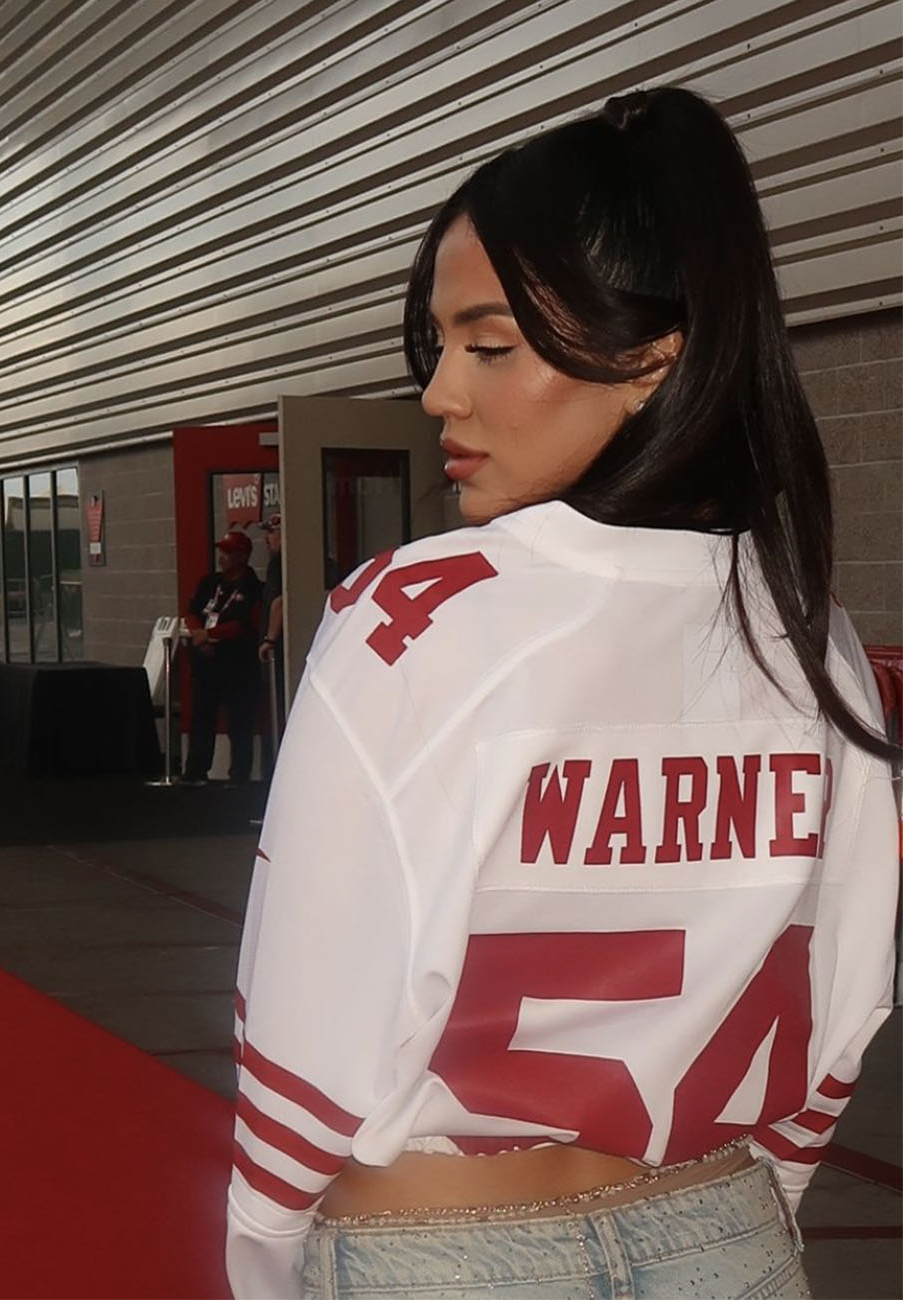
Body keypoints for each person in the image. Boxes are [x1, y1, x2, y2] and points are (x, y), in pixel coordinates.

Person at [225, 88, 899, 1300]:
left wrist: (270, 1257)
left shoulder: (410, 614)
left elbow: (308, 1023)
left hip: (439, 1252)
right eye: (439, 349)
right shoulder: (807, 630)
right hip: (724, 1233)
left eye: (489, 346)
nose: (440, 394)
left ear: (649, 356)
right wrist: (755, 1214)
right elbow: (845, 996)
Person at [181, 529, 261, 786]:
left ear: (242, 556)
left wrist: (211, 634)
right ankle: (195, 771)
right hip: (206, 662)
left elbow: (244, 624)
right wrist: (199, 635)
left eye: (228, 553)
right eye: (221, 552)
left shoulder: (252, 587)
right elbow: (192, 611)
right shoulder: (209, 582)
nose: (222, 557)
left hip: (237, 664)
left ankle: (239, 775)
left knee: (239, 720)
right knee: (202, 717)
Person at [257, 514, 285, 749]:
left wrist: (269, 639)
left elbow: (279, 602)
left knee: (281, 703)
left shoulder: (280, 563)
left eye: (272, 533)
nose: (268, 539)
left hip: (282, 648)